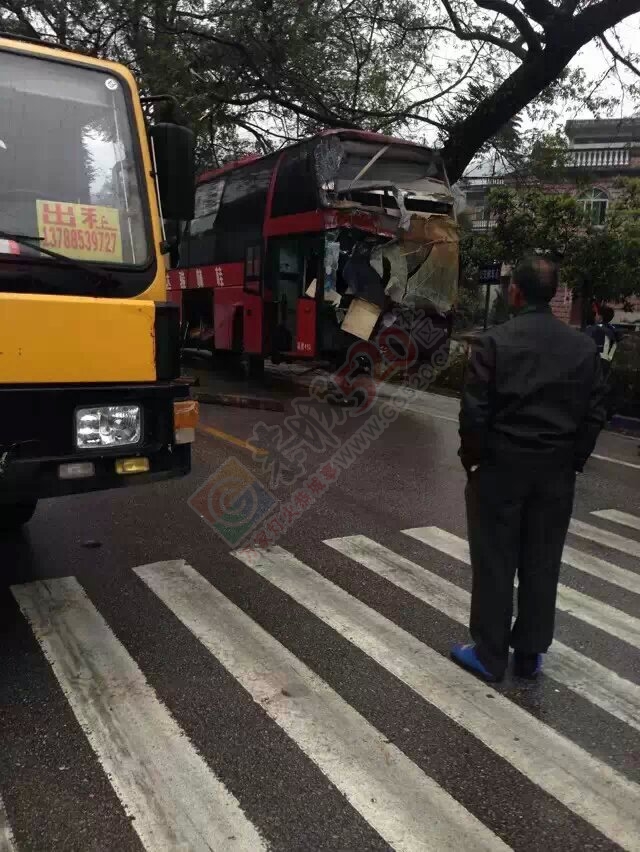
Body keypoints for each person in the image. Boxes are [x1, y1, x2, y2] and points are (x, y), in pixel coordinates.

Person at [451, 257, 607, 682]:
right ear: (554, 293)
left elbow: (474, 412)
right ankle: (529, 654)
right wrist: (572, 461)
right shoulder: (582, 348)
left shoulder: (493, 343)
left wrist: (475, 460)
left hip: (500, 470)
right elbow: (595, 414)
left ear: (515, 292)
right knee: (542, 562)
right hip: (555, 474)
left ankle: (489, 654)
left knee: (495, 561)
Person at [586, 304, 621, 376]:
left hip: (595, 362)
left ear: (600, 317)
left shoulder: (594, 329)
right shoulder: (613, 330)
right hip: (607, 363)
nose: (595, 316)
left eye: (596, 314)